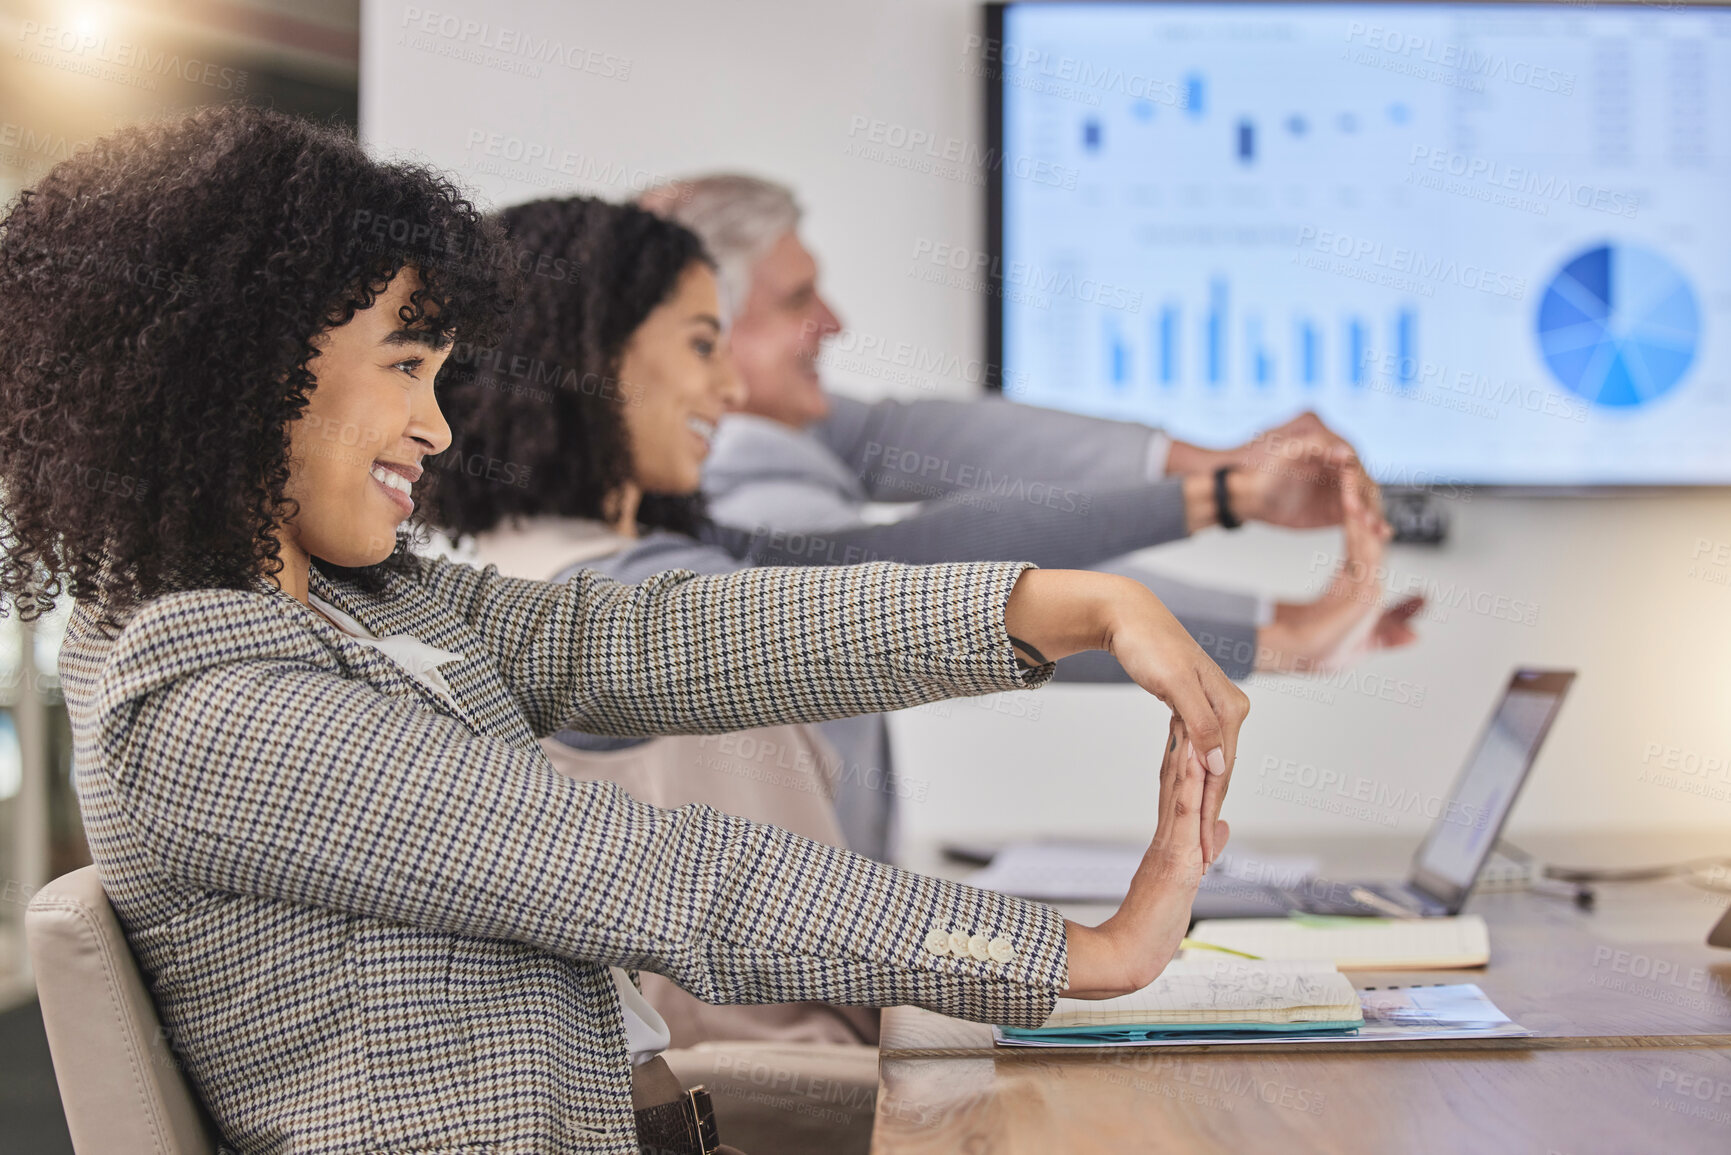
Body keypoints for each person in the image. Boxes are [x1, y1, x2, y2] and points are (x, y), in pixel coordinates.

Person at [0, 107, 1249, 1154]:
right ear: (243, 364)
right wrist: (1083, 954)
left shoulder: (360, 606)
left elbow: (652, 638)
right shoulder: (200, 701)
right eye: (405, 367)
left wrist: (1053, 607)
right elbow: (655, 877)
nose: (437, 430)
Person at [637, 173, 1422, 858]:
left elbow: (935, 442)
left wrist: (1222, 472)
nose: (834, 321)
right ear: (697, 322)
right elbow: (907, 579)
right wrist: (1233, 520)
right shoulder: (726, 458)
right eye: (797, 299)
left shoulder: (771, 429)